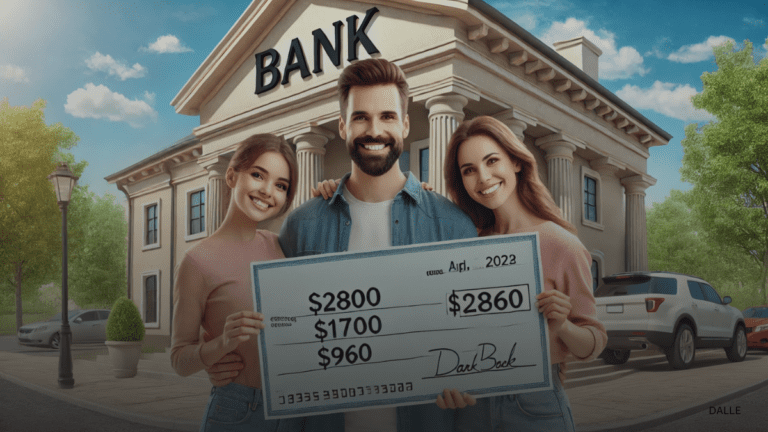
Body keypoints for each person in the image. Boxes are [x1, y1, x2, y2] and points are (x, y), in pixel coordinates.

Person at [277, 58, 478, 432]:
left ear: (404, 124)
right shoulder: (300, 227)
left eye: (387, 117)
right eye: (360, 118)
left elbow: (473, 341)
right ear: (342, 126)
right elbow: (284, 341)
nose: (374, 130)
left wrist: (469, 382)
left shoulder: (453, 227)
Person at [443, 116, 607, 431]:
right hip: (471, 407)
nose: (483, 177)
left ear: (516, 162)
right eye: (469, 170)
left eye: (492, 161)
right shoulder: (464, 244)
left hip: (535, 405)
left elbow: (594, 342)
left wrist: (562, 326)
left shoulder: (561, 244)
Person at [171, 134, 307, 432]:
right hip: (240, 410)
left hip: (296, 409)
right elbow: (179, 359)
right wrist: (219, 347)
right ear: (232, 176)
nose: (267, 191)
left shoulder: (280, 245)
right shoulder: (196, 262)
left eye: (281, 185)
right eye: (258, 174)